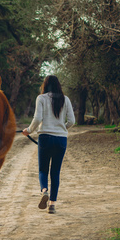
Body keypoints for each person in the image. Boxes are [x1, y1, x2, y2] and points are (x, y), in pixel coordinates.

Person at [22, 75, 75, 214]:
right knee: (55, 172)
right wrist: (62, 128)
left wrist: (28, 131)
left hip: (45, 137)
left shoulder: (41, 98)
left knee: (43, 170)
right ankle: (52, 205)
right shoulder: (66, 99)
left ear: (45, 85)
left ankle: (44, 190)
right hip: (61, 139)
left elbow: (38, 118)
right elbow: (72, 121)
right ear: (58, 85)